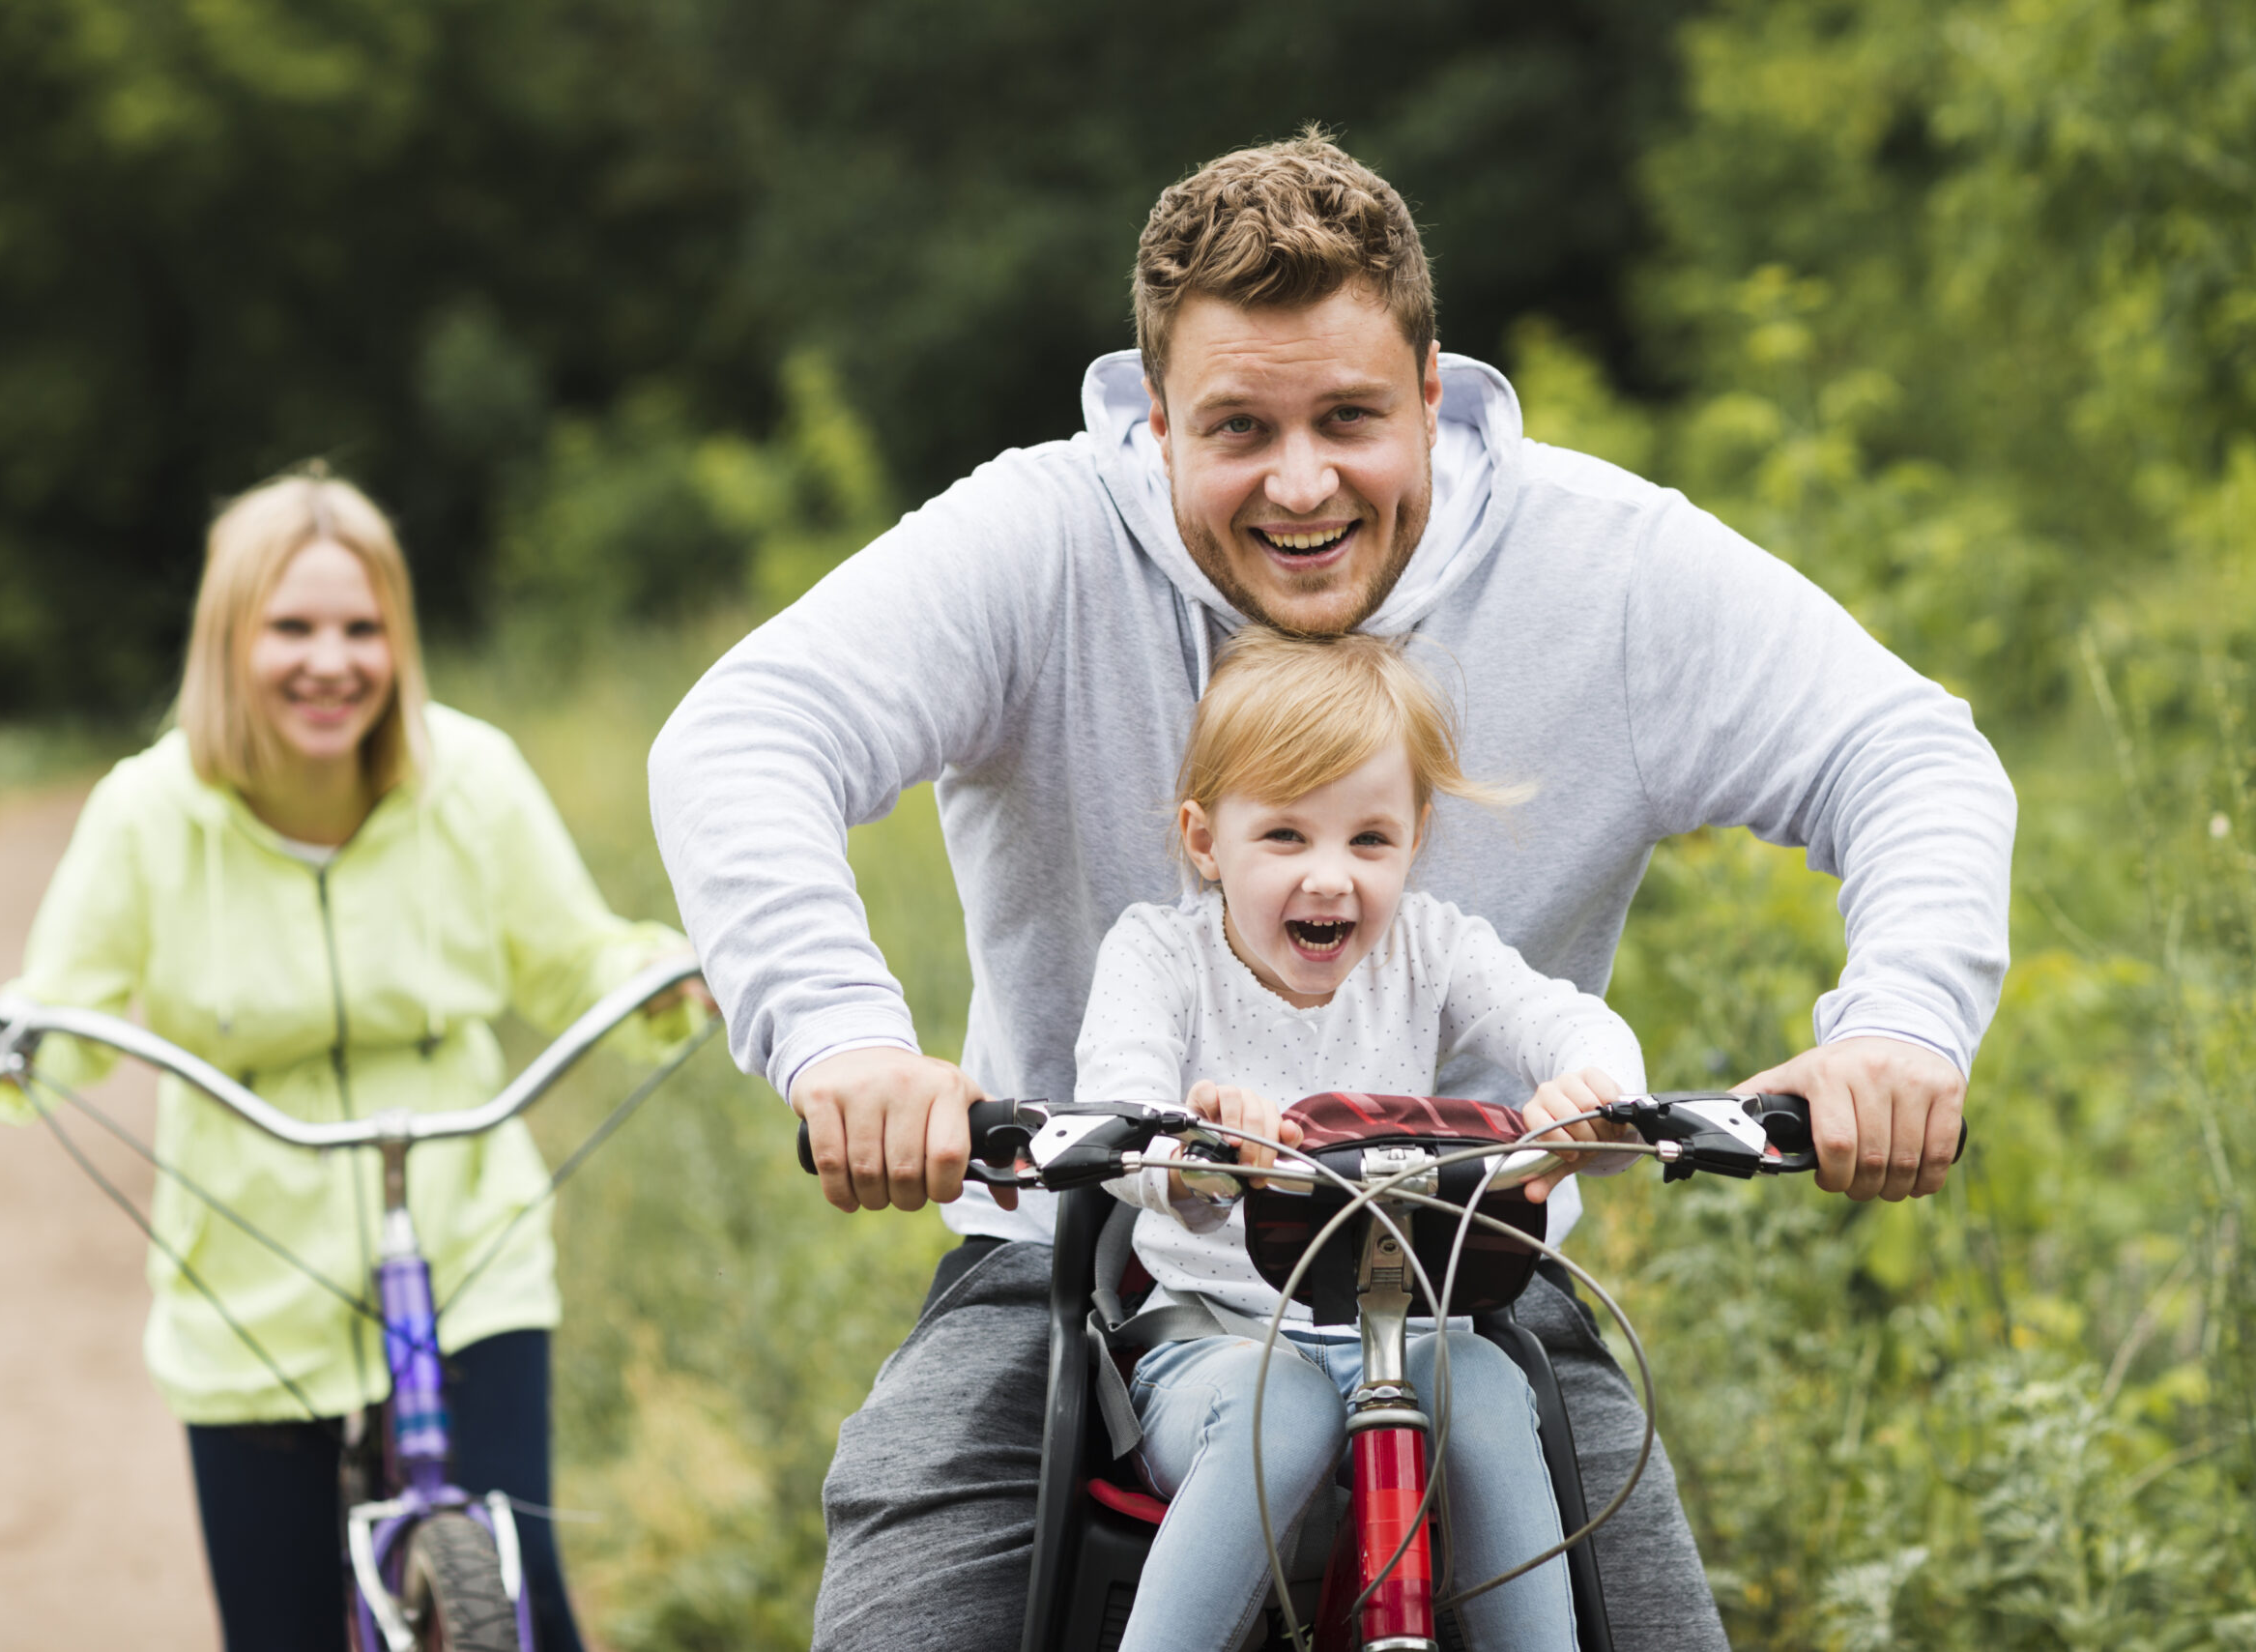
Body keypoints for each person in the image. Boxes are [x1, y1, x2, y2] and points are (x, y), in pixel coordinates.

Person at [651, 131, 2015, 1651]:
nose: (1301, 484)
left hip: (1467, 1270)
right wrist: (841, 1037)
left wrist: (1899, 1026)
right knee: (913, 1593)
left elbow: (1908, 754)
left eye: (1352, 417)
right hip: (1086, 1254)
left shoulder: (1611, 571)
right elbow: (744, 732)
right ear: (1159, 419)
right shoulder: (1035, 543)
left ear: (1434, 394)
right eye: (1238, 426)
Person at [0, 467, 707, 1652]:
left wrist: (677, 976)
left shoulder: (473, 779)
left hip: (467, 1254)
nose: (329, 660)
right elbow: (64, 1015)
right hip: (246, 1283)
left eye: (362, 626)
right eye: (291, 626)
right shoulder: (146, 812)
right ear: (227, 640)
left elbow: (573, 961)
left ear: (398, 640)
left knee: (525, 1601)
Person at [1085, 628, 1644, 1651]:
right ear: (1206, 841)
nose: (1331, 878)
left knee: (1485, 1387)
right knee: (1282, 1410)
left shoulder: (1430, 945)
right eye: (1285, 836)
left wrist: (1595, 1093)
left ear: (1415, 836)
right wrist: (1194, 1156)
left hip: (1408, 1323)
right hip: (1214, 1335)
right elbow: (1120, 1109)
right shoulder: (1159, 954)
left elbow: (1560, 1017)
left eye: (1369, 839)